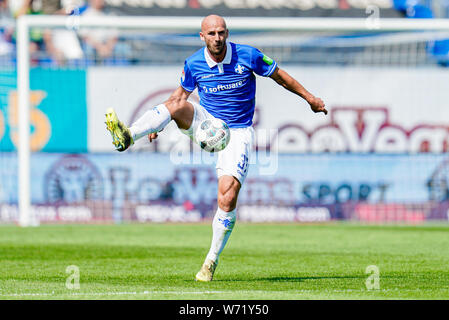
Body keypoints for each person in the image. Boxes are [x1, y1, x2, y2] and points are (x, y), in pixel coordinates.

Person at [105, 15, 327, 282]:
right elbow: (179, 98)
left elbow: (280, 76)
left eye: (221, 33)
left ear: (227, 33)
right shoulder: (194, 63)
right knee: (174, 105)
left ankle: (210, 261)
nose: (217, 38)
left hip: (237, 132)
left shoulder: (248, 55)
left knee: (227, 197)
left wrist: (310, 98)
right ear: (202, 36)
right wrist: (159, 123)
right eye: (211, 33)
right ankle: (128, 135)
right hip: (206, 124)